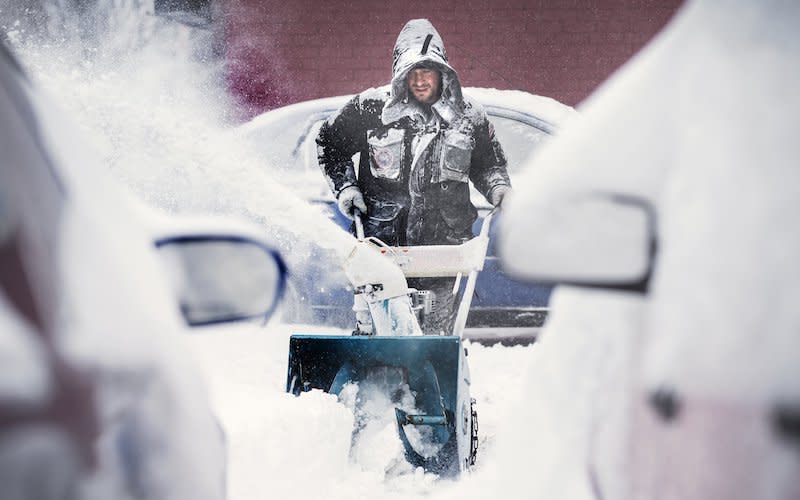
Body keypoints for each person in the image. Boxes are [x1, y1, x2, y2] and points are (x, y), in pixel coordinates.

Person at [317, 18, 511, 335]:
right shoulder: (370, 108)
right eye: (412, 73)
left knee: (435, 339)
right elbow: (329, 145)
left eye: (428, 71)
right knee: (379, 335)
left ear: (443, 72)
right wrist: (347, 187)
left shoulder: (467, 116)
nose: (420, 81)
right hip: (381, 246)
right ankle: (373, 381)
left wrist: (499, 188)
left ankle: (435, 381)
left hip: (443, 251)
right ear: (399, 73)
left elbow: (488, 164)